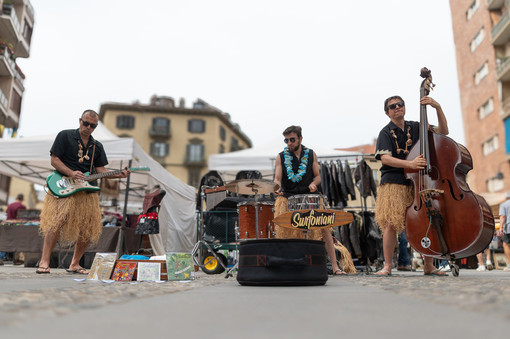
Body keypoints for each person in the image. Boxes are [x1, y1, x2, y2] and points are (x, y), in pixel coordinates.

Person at [36, 110, 130, 274]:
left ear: (95, 126)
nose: (88, 127)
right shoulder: (64, 136)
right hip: (65, 186)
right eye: (85, 123)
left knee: (88, 227)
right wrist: (71, 173)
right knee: (56, 221)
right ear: (80, 120)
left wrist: (119, 174)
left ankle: (75, 264)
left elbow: (101, 170)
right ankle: (44, 262)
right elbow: (54, 160)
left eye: (92, 125)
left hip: (88, 192)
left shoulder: (97, 146)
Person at [374, 95, 449, 276]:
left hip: (418, 181)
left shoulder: (416, 127)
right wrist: (410, 164)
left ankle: (429, 265)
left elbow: (444, 132)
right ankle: (388, 266)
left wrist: (437, 107)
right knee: (392, 223)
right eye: (393, 106)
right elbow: (385, 158)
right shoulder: (385, 132)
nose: (397, 107)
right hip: (394, 182)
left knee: (425, 220)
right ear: (387, 112)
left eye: (400, 104)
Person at [273, 125, 346, 275]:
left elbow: (318, 176)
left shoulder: (311, 154)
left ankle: (335, 267)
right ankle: (290, 266)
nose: (289, 143)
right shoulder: (281, 156)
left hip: (310, 197)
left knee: (325, 229)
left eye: (292, 139)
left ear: (300, 138)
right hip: (288, 199)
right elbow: (277, 178)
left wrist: (314, 183)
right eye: (286, 140)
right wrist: (277, 187)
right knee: (288, 232)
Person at [497, 191, 510, 271]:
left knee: (506, 244)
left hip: (509, 227)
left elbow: (502, 216)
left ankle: (509, 264)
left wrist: (501, 228)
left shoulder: (504, 205)